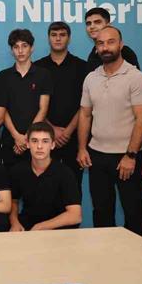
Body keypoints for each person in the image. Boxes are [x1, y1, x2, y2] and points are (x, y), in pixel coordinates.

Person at [77, 26, 142, 237]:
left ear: (121, 44)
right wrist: (82, 148)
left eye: (111, 42)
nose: (105, 47)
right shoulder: (91, 78)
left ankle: (137, 256)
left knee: (133, 213)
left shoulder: (136, 77)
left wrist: (131, 155)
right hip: (97, 155)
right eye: (100, 43)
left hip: (125, 157)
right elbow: (85, 115)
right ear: (96, 48)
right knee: (101, 212)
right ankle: (105, 255)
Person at [35, 22, 89, 192]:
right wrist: (51, 129)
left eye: (62, 35)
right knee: (43, 188)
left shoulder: (83, 67)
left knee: (73, 187)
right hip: (44, 137)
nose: (58, 38)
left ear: (69, 38)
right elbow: (33, 103)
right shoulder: (37, 67)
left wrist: (68, 131)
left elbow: (86, 103)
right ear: (48, 38)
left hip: (74, 137)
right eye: (54, 35)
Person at [9, 122, 82, 231]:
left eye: (45, 141)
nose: (39, 146)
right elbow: (13, 201)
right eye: (34, 141)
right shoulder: (18, 170)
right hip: (29, 224)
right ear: (27, 144)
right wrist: (14, 223)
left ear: (52, 145)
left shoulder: (65, 173)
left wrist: (41, 227)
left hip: (58, 227)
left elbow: (75, 215)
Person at [0, 29, 52, 167]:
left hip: (36, 141)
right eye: (16, 47)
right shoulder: (3, 76)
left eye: (24, 46)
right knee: (10, 178)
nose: (20, 51)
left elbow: (43, 109)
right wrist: (17, 136)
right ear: (11, 50)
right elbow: (2, 110)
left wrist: (27, 137)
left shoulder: (43, 74)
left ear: (31, 48)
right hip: (10, 140)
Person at [84, 7, 140, 71]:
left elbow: (134, 76)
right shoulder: (93, 54)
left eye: (97, 22)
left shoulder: (124, 51)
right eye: (88, 23)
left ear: (108, 25)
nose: (92, 26)